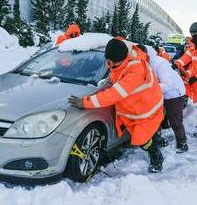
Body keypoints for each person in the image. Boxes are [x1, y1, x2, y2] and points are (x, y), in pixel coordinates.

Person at [69, 39, 165, 173]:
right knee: (147, 133)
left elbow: (114, 94)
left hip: (145, 109)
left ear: (123, 58)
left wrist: (86, 102)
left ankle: (155, 155)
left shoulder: (136, 70)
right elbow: (114, 76)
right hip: (138, 105)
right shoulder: (120, 59)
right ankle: (155, 137)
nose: (110, 65)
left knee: (142, 140)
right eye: (108, 61)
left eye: (113, 62)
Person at [137, 45, 188, 152]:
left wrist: (149, 87)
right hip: (161, 93)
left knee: (175, 120)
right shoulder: (146, 63)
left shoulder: (159, 64)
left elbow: (168, 84)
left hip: (174, 94)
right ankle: (159, 140)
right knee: (157, 118)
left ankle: (182, 143)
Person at [172, 22, 197, 138]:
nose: (194, 36)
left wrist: (196, 76)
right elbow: (186, 57)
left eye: (196, 33)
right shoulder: (193, 44)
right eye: (192, 34)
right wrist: (177, 64)